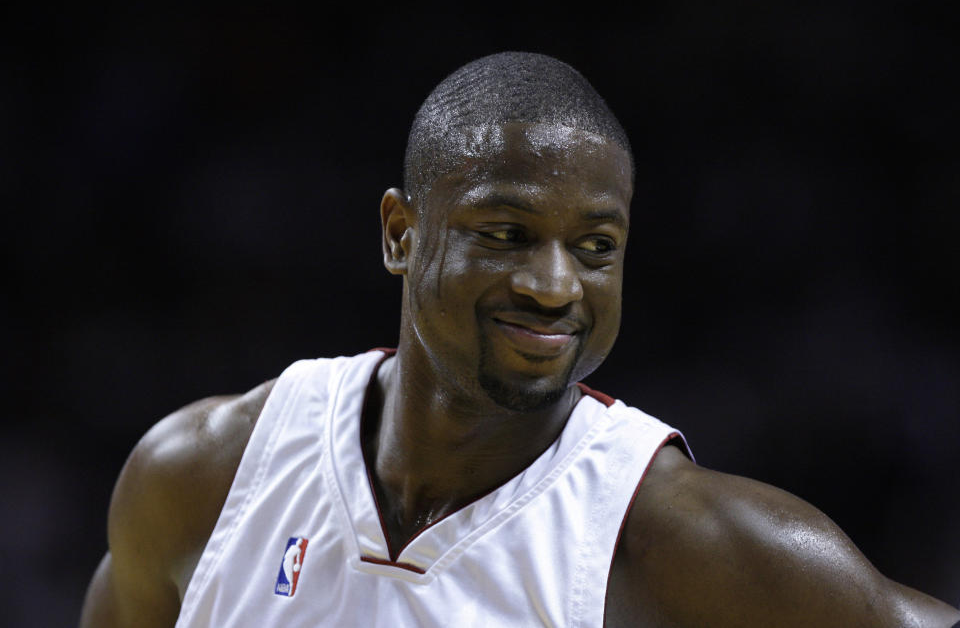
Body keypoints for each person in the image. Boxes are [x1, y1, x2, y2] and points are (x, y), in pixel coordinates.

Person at [79, 52, 959, 628]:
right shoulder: (203, 475)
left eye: (596, 247)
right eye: (504, 233)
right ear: (400, 234)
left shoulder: (680, 545)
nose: (553, 285)